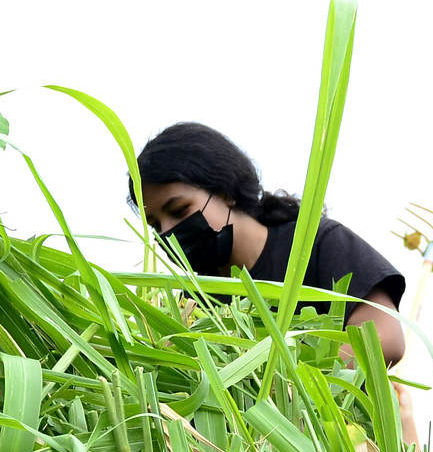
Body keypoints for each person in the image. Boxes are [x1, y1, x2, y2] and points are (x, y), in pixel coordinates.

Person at [132, 123, 406, 364]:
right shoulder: (194, 301)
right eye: (156, 225)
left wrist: (283, 391)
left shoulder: (315, 244)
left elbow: (383, 337)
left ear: (225, 190)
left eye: (180, 211)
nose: (168, 232)